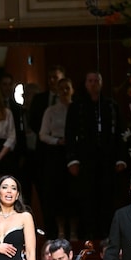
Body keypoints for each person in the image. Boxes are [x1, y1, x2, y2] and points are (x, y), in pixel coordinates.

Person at [65, 71, 127, 240]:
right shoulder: (77, 106)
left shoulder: (111, 105)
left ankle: (106, 232)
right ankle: (88, 234)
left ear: (101, 83)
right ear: (85, 84)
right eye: (90, 81)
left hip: (107, 158)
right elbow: (69, 134)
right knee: (87, 197)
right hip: (85, 159)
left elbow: (121, 132)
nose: (93, 84)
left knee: (107, 195)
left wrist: (121, 157)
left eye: (96, 81)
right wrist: (72, 159)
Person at [38, 78, 74, 239]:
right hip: (56, 153)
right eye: (61, 89)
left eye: (67, 88)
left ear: (72, 90)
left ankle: (73, 231)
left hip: (74, 153)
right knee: (58, 192)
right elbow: (43, 134)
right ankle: (60, 230)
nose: (64, 92)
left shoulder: (77, 108)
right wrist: (57, 141)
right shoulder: (51, 110)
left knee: (74, 193)